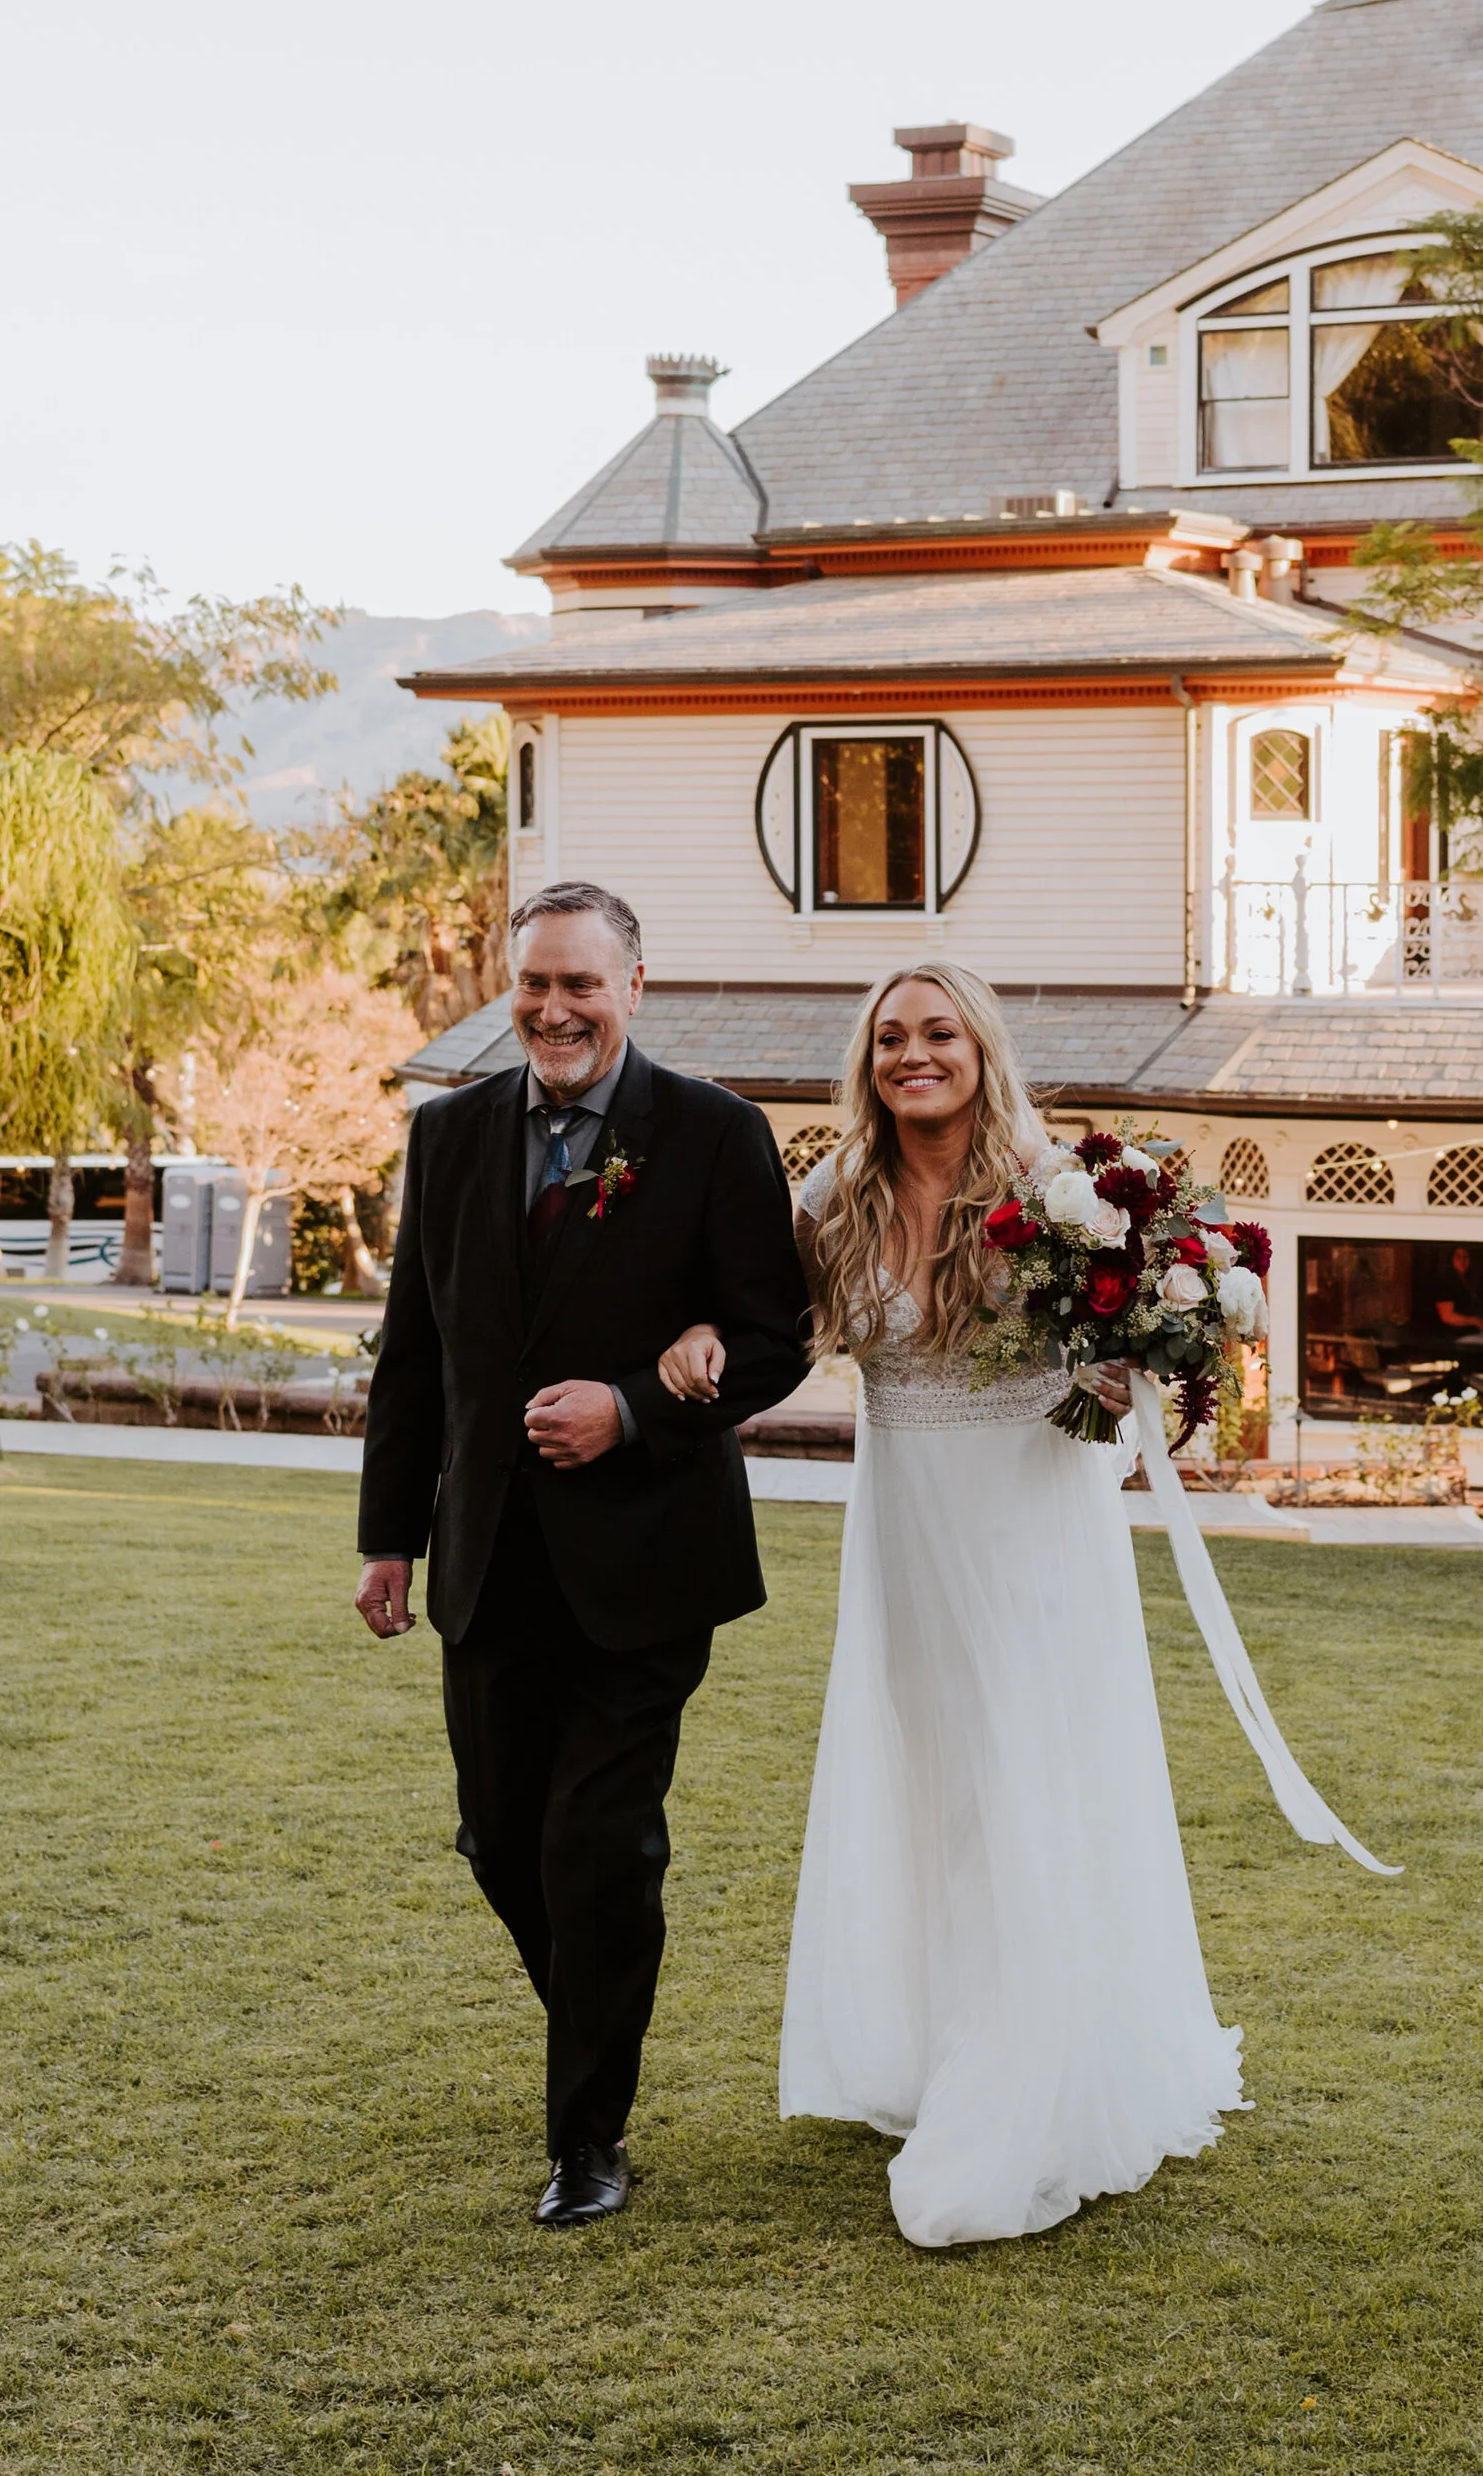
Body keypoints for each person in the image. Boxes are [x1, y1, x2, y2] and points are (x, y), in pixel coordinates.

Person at [661, 960, 1248, 2248]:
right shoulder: (836, 1194)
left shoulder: (1059, 1188)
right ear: (867, 1062)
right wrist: (699, 1333)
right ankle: (959, 2038)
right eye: (890, 1038)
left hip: (1032, 1526)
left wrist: (1122, 1378)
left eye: (938, 1033)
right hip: (910, 1536)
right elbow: (761, 1316)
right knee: (941, 1789)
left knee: (1019, 1784)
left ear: (981, 1049)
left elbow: (1133, 1354)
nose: (912, 1055)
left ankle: (1020, 2086)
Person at [354, 880, 809, 2229]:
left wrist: (635, 1408)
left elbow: (773, 1339)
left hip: (648, 1564)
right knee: (501, 1837)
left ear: (634, 988)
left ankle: (589, 2136)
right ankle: (599, 2018)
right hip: (485, 1559)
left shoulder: (716, 1134)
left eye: (581, 985)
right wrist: (388, 1537)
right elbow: (416, 1355)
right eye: (535, 984)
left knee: (598, 1845)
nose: (554, 1010)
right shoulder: (448, 1135)